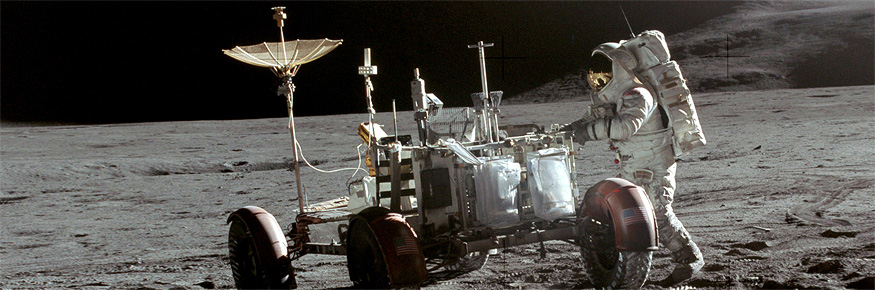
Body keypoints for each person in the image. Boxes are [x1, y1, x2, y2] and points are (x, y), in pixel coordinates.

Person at [564, 42, 704, 285]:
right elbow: (589, 119)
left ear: (619, 69)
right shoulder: (614, 98)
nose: (599, 78)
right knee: (625, 214)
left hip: (654, 164)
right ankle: (617, 265)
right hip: (633, 164)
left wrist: (586, 133)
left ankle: (690, 258)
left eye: (605, 72)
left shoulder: (638, 95)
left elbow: (625, 126)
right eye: (595, 74)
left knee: (657, 212)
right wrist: (564, 133)